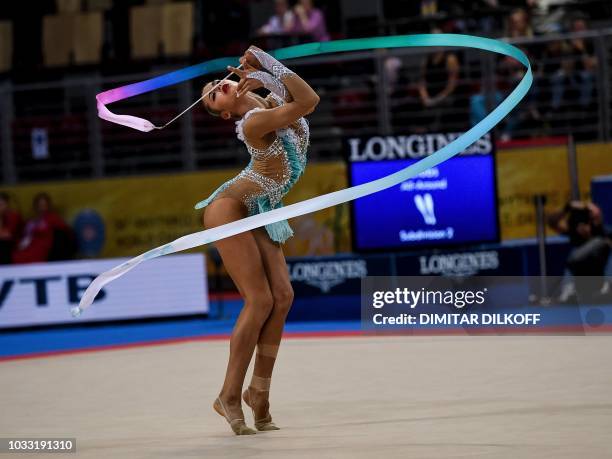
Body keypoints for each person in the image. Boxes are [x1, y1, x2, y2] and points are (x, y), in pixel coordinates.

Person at [198, 45, 319, 435]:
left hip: (263, 206)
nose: (218, 85)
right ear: (226, 113)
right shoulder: (252, 123)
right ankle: (228, 395)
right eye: (213, 93)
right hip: (230, 207)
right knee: (260, 299)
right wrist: (267, 60)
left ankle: (259, 393)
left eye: (216, 82)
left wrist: (265, 76)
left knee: (282, 297)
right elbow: (310, 101)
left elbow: (297, 94)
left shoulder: (268, 101)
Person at [547, 200, 611, 301]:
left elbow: (602, 234)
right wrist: (567, 207)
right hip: (584, 265)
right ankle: (568, 289)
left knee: (603, 243)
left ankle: (607, 284)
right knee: (573, 258)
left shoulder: (598, 229)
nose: (583, 227)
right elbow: (552, 221)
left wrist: (593, 212)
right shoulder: (571, 230)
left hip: (599, 256)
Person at [12, 193, 73, 264]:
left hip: (42, 246)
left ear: (48, 205)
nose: (42, 207)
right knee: (17, 255)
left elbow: (66, 230)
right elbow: (24, 235)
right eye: (40, 205)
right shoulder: (31, 220)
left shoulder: (52, 218)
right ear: (36, 206)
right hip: (27, 246)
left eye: (44, 205)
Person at [0, 193, 24, 265]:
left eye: (1, 205)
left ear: (7, 205)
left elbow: (7, 235)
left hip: (13, 244)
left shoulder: (13, 216)